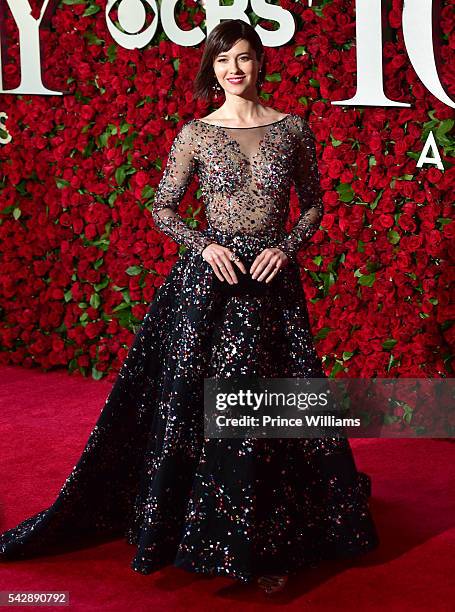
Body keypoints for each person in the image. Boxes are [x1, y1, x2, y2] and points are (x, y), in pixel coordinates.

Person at [0, 19, 379, 595]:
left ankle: (262, 541)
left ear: (260, 64)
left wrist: (286, 247)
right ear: (213, 68)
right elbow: (163, 207)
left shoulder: (293, 129)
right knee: (200, 409)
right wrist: (204, 246)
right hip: (210, 286)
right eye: (224, 60)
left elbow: (316, 204)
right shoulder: (195, 134)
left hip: (271, 284)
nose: (234, 70)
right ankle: (207, 536)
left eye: (245, 58)